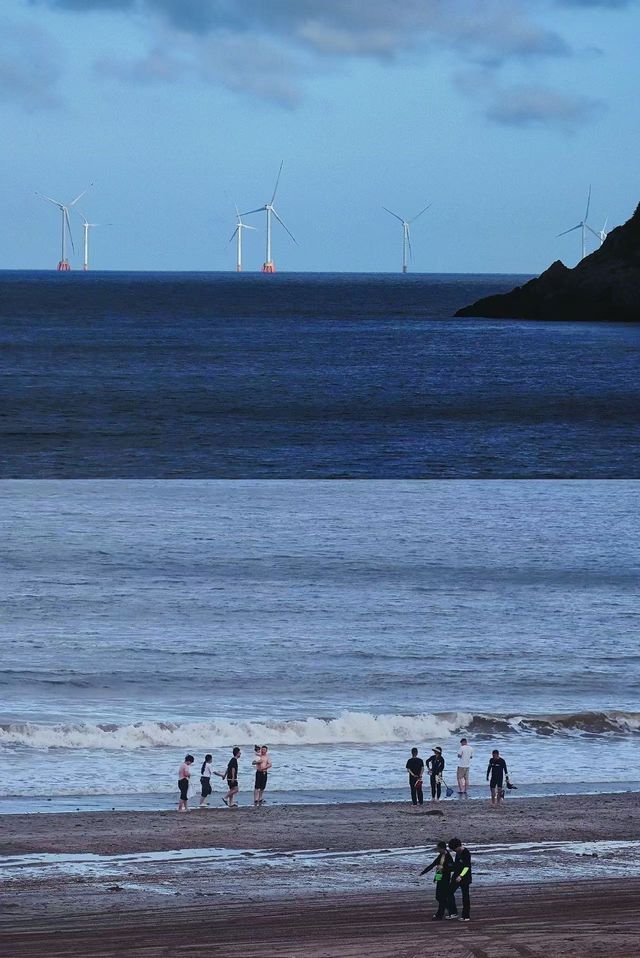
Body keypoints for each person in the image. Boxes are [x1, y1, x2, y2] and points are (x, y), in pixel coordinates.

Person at [420, 840, 457, 920]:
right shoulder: (441, 855)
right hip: (440, 878)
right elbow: (433, 865)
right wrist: (424, 873)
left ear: (443, 848)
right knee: (439, 897)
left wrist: (444, 868)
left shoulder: (448, 857)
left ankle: (441, 914)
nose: (437, 850)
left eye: (438, 849)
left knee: (441, 897)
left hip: (445, 879)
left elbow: (452, 868)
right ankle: (450, 910)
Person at [447, 838, 472, 921]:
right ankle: (453, 912)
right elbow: (457, 865)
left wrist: (461, 876)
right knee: (449, 892)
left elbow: (467, 867)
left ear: (458, 846)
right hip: (456, 876)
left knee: (465, 896)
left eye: (454, 849)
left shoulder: (466, 853)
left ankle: (466, 915)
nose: (454, 851)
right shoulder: (458, 853)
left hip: (465, 878)